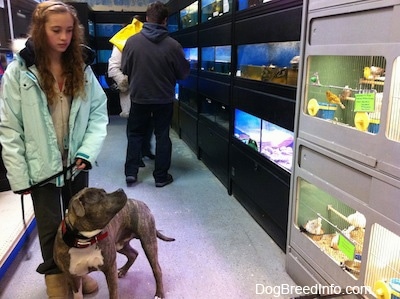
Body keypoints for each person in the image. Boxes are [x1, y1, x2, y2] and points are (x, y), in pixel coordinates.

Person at [0, 2, 108, 298]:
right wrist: (19, 177)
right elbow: (9, 128)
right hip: (40, 168)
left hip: (76, 164)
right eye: (56, 30)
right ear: (39, 30)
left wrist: (87, 152)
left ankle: (79, 273)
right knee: (50, 228)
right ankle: (56, 278)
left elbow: (98, 113)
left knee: (81, 224)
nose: (64, 37)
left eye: (70, 31)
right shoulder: (18, 73)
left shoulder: (82, 67)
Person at [122, 1, 190, 187]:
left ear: (146, 19)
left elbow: (125, 68)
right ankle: (160, 177)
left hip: (139, 97)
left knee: (135, 134)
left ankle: (131, 173)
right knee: (162, 135)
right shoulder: (173, 46)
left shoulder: (132, 42)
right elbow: (183, 73)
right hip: (164, 99)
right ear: (165, 21)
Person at [108, 16, 155, 165]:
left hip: (149, 92)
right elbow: (113, 68)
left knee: (149, 123)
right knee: (134, 127)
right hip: (131, 92)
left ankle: (145, 150)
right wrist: (126, 82)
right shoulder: (121, 42)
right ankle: (137, 157)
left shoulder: (148, 41)